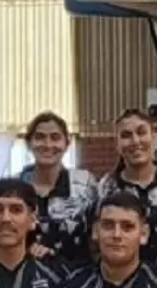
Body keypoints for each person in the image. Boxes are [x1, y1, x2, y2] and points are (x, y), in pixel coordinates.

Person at [94, 110, 157, 268]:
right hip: (123, 283)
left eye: (141, 132)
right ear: (117, 144)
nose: (135, 141)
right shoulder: (107, 186)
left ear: (153, 137)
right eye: (126, 135)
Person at [14, 111, 97, 267]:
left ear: (67, 143)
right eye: (39, 137)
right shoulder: (14, 187)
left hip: (76, 279)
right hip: (25, 279)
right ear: (28, 143)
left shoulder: (85, 185)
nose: (47, 144)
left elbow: (98, 234)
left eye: (55, 137)